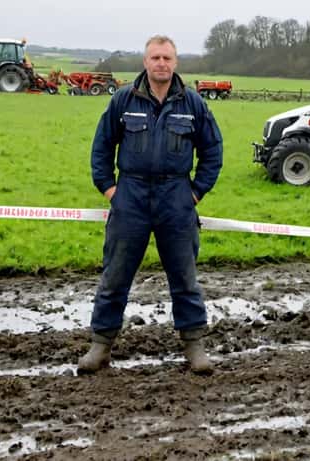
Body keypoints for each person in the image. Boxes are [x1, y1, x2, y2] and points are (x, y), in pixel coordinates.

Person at [79, 35, 223, 375]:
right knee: (115, 277)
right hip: (131, 196)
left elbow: (212, 151)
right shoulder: (123, 99)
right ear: (145, 62)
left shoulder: (192, 103)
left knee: (185, 279)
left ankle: (194, 346)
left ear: (175, 63)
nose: (161, 63)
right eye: (155, 57)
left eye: (167, 58)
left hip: (176, 198)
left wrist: (195, 193)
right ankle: (100, 346)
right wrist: (111, 190)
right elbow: (102, 148)